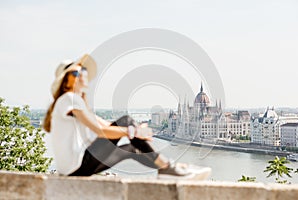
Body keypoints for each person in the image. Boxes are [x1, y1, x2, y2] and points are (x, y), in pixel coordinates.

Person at [43, 54, 194, 177]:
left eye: (83, 71)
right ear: (65, 82)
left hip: (74, 170)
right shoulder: (69, 98)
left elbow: (105, 126)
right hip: (77, 166)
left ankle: (165, 169)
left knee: (131, 149)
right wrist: (133, 131)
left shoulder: (75, 102)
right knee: (126, 121)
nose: (82, 75)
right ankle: (169, 166)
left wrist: (134, 132)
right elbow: (99, 131)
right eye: (76, 73)